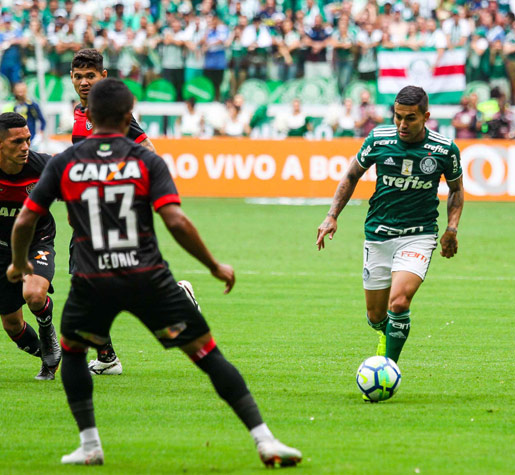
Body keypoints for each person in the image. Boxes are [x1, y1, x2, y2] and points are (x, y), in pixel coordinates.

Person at [7, 78, 302, 467]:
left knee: (74, 353)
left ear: (88, 116)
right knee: (207, 354)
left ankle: (90, 444)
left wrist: (17, 262)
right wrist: (213, 265)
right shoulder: (147, 161)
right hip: (147, 276)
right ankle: (264, 440)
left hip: (93, 280)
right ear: (130, 117)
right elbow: (176, 220)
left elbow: (27, 218)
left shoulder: (66, 163)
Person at [316, 86, 464, 380]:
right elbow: (351, 176)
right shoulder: (379, 139)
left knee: (399, 302)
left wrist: (451, 228)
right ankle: (386, 334)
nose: (402, 125)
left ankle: (387, 369)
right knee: (375, 316)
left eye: (410, 118)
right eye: (398, 117)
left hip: (419, 235)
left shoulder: (444, 149)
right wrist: (332, 215)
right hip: (378, 234)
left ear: (426, 116)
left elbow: (456, 190)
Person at [70, 48, 157, 375]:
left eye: (90, 76)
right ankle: (107, 357)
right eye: (78, 76)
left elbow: (150, 152)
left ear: (103, 77)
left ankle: (108, 356)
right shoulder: (80, 112)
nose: (83, 82)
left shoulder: (112, 114)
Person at [0, 112, 60, 380]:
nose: (25, 147)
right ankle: (51, 355)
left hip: (38, 240)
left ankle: (48, 335)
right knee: (13, 326)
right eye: (17, 142)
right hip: (2, 249)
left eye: (28, 139)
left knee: (35, 295)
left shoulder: (43, 167)